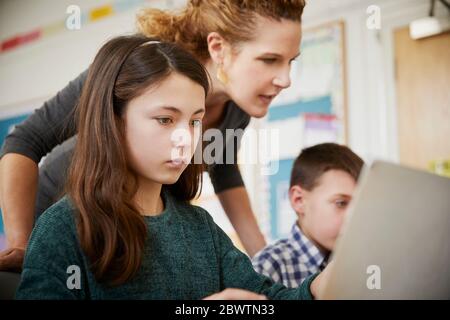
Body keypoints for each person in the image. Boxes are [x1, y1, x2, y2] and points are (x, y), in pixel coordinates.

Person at [0, 0, 306, 270]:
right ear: (218, 48)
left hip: (130, 224)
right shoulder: (137, 66)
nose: (285, 79)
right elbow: (26, 141)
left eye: (290, 61)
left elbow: (223, 169)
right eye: (269, 60)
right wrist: (24, 245)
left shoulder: (237, 105)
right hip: (63, 203)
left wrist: (263, 258)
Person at [252, 143, 364, 288]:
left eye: (360, 205)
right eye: (341, 203)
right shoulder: (267, 267)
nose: (354, 217)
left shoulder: (360, 262)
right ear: (299, 200)